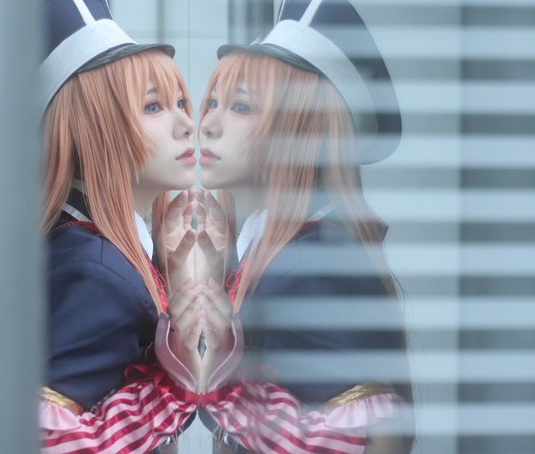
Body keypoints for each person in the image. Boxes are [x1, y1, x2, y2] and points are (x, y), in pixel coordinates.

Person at [166, 0, 415, 452]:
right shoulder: (288, 258)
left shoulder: (312, 269)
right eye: (214, 102)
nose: (208, 123)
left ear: (301, 133)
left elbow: (367, 437)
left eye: (241, 106)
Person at [37, 1, 200, 452]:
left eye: (181, 103)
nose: (187, 124)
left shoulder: (84, 253)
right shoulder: (98, 274)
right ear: (94, 130)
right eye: (154, 106)